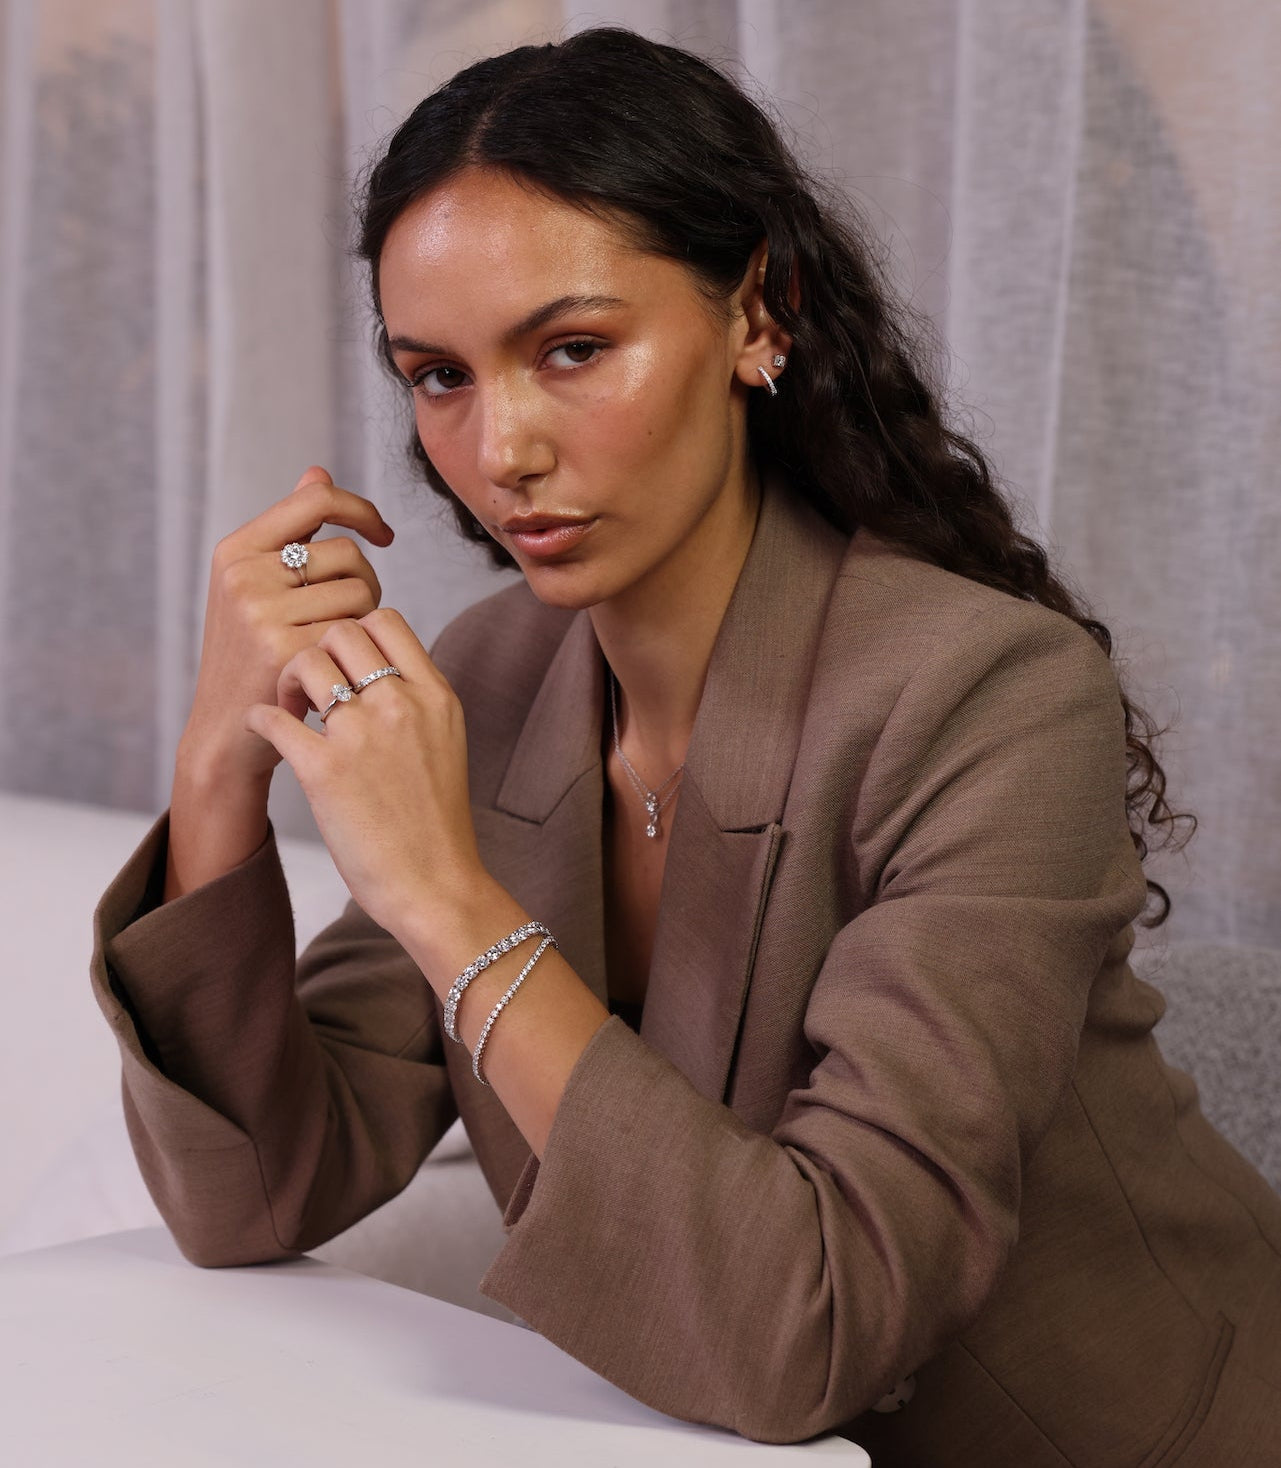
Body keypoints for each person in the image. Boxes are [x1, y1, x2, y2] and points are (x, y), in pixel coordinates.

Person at [90, 26, 1281, 1466]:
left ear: (757, 314)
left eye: (573, 349)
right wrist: (222, 759)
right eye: (440, 376)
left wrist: (448, 903)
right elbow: (253, 1193)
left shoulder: (987, 695)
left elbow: (814, 1325)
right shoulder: (497, 681)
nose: (501, 446)